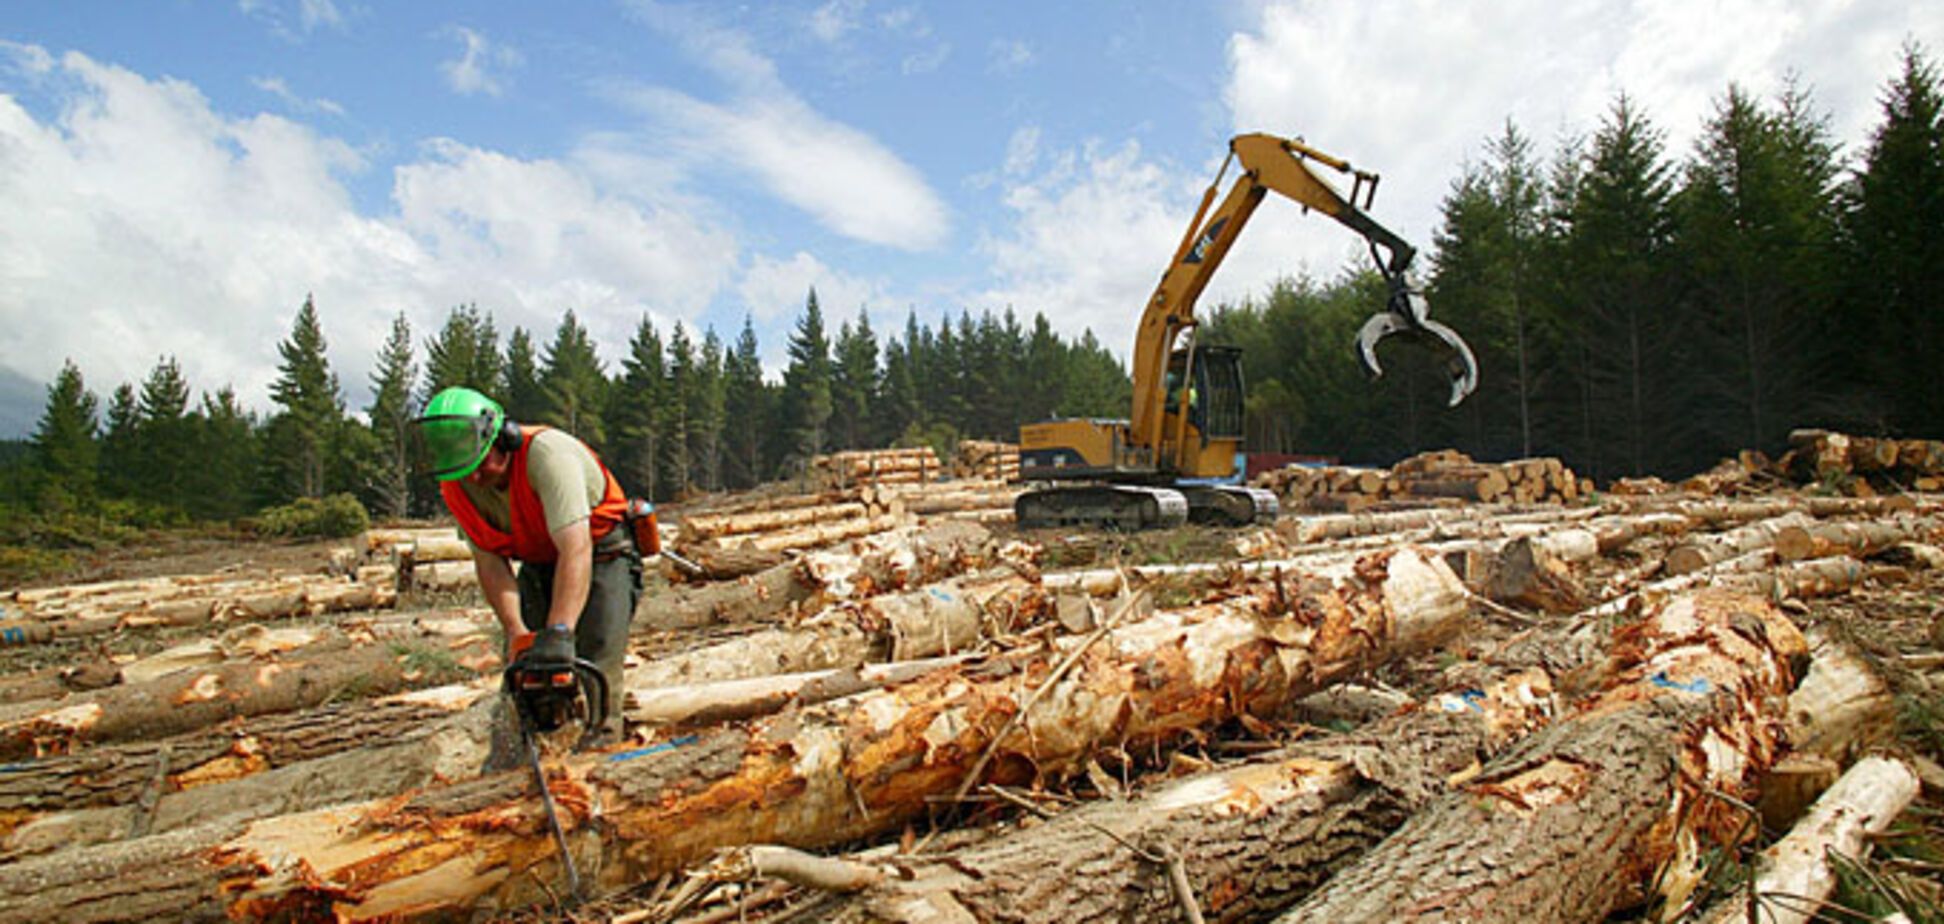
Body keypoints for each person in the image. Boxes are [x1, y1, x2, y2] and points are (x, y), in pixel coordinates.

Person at [413, 386, 639, 742]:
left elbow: (576, 549)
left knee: (596, 655)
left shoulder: (548, 456)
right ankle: (536, 741)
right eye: (465, 470)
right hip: (537, 561)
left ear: (503, 438)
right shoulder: (456, 484)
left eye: (481, 464)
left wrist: (560, 632)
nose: (474, 478)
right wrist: (517, 633)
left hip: (599, 552)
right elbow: (490, 562)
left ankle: (603, 742)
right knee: (531, 671)